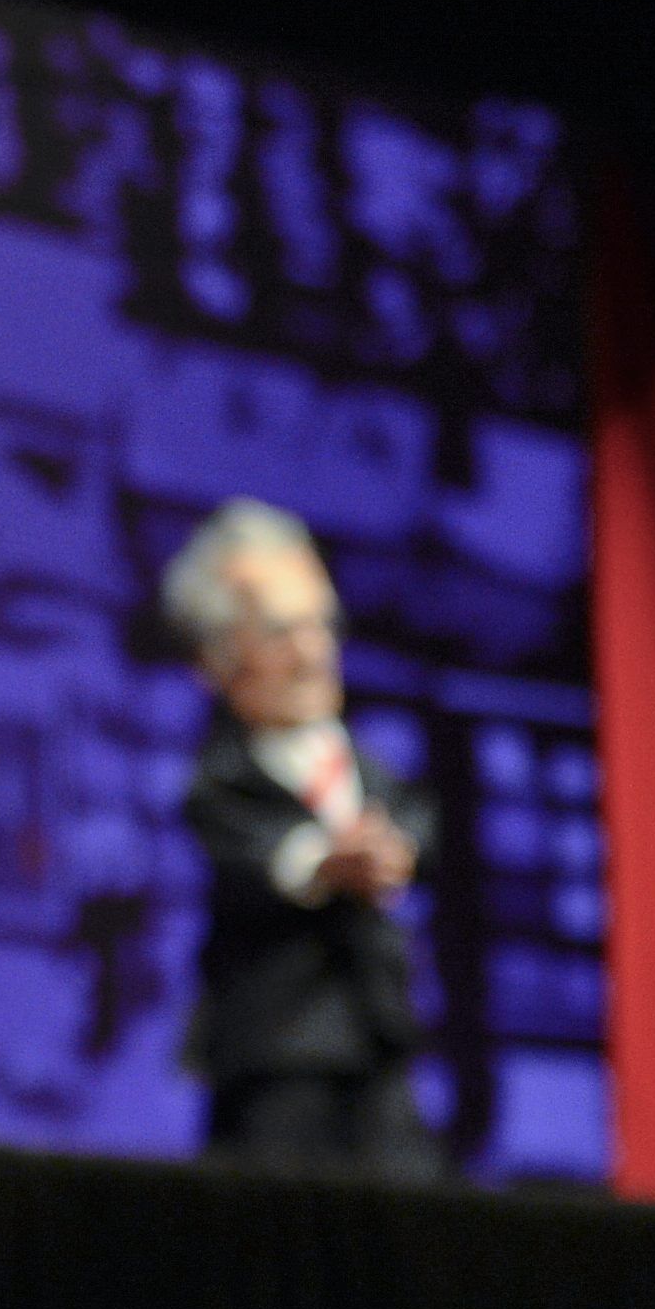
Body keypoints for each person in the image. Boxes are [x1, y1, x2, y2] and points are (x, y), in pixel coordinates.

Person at [163, 498, 445, 1179]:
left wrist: (395, 852)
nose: (313, 652)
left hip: (377, 1040)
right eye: (280, 633)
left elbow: (414, 825)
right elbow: (256, 854)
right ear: (218, 660)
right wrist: (327, 864)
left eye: (321, 624)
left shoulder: (375, 771)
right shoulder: (222, 780)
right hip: (276, 1054)